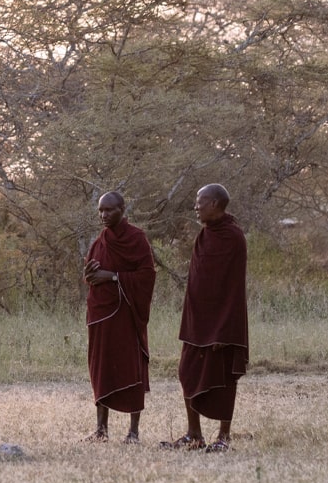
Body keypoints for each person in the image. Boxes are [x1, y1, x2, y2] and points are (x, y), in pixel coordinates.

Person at [164, 183, 248, 453]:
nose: (196, 206)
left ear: (214, 204)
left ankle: (224, 437)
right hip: (197, 322)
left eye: (200, 201)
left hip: (222, 325)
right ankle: (194, 434)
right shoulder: (204, 235)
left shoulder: (233, 237)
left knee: (223, 379)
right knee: (186, 372)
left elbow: (233, 288)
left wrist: (225, 330)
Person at [81, 191, 156, 443]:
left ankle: (133, 432)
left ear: (122, 209)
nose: (103, 215)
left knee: (131, 368)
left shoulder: (137, 239)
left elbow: (146, 276)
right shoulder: (99, 241)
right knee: (101, 368)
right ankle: (101, 430)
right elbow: (92, 275)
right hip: (101, 314)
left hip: (127, 314)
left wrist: (112, 276)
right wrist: (91, 276)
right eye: (100, 211)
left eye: (109, 210)